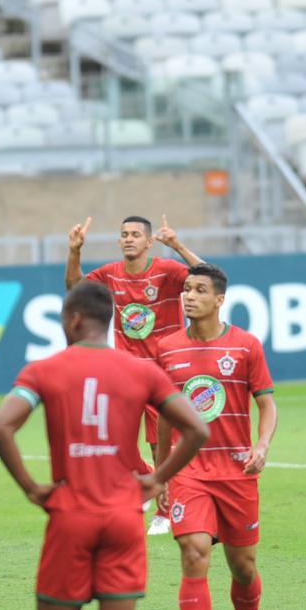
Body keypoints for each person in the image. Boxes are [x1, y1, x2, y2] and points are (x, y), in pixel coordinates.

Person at [0, 281, 209, 610]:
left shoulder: (43, 371)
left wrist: (29, 487)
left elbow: (0, 428)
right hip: (123, 516)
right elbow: (197, 430)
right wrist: (157, 479)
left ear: (73, 320)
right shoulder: (143, 372)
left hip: (71, 513)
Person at [155, 263, 278, 610]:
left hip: (236, 472)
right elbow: (162, 417)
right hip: (188, 472)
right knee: (193, 552)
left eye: (199, 290)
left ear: (219, 299)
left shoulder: (246, 345)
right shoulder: (167, 348)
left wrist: (261, 446)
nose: (189, 296)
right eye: (186, 289)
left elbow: (267, 404)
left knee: (243, 568)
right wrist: (161, 476)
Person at [65, 214, 205, 535]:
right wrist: (75, 251)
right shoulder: (111, 274)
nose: (129, 239)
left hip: (162, 372)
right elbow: (74, 287)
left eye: (135, 234)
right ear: (119, 241)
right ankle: (144, 482)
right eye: (124, 234)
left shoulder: (167, 271)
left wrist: (178, 246)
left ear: (149, 241)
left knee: (160, 445)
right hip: (125, 371)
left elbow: (209, 277)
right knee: (114, 437)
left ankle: (164, 511)